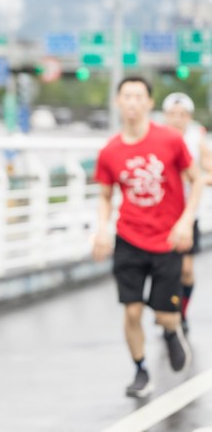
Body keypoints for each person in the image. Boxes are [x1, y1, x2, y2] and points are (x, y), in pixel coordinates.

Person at [93, 77, 202, 399]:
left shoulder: (170, 140)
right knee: (131, 311)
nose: (132, 103)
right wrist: (101, 227)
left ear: (149, 103)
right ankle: (140, 369)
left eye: (139, 97)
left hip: (167, 239)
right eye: (126, 96)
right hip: (128, 238)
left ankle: (171, 331)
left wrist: (185, 221)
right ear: (117, 102)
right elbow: (103, 194)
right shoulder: (110, 150)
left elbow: (196, 180)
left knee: (165, 315)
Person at [161, 92, 212, 332]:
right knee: (163, 268)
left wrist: (196, 179)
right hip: (161, 214)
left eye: (181, 115)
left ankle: (181, 310)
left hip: (188, 213)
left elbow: (209, 172)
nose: (176, 119)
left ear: (188, 117)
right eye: (172, 114)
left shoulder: (196, 140)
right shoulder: (157, 139)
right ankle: (165, 311)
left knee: (186, 270)